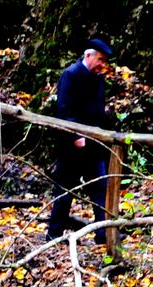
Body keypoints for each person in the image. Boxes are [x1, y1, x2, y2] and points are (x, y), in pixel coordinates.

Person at [46, 37, 113, 244]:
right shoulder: (71, 75)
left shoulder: (98, 78)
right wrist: (76, 135)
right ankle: (54, 234)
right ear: (88, 55)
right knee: (65, 191)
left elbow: (98, 109)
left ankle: (103, 232)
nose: (102, 65)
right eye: (100, 60)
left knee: (100, 188)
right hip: (71, 146)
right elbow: (65, 109)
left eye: (104, 61)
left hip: (94, 144)